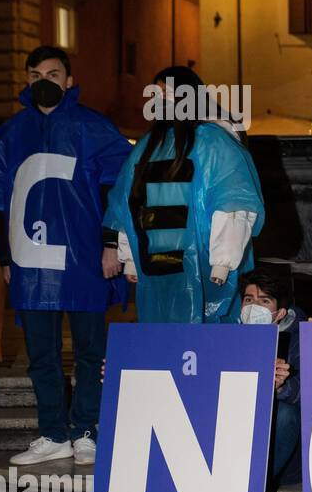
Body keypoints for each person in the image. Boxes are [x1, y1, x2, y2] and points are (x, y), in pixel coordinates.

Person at [0, 46, 132, 466]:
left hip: (87, 256)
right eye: (35, 75)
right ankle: (53, 432)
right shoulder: (10, 134)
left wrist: (112, 244)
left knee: (91, 349)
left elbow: (117, 188)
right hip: (30, 260)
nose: (44, 82)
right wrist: (3, 257)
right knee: (42, 354)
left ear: (69, 81)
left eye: (53, 74)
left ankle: (86, 430)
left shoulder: (93, 127)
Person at [104, 66, 264, 323]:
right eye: (156, 93)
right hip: (159, 266)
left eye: (166, 92)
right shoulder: (148, 145)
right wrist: (132, 257)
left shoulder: (213, 142)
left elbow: (233, 201)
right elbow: (129, 202)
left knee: (210, 338)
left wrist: (224, 261)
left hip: (204, 260)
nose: (159, 99)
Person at [237, 265, 311, 486]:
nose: (254, 307)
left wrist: (281, 387)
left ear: (280, 313)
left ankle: (253, 486)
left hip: (281, 455)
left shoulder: (299, 339)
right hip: (236, 435)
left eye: (264, 301)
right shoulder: (227, 336)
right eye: (249, 300)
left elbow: (310, 392)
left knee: (287, 414)